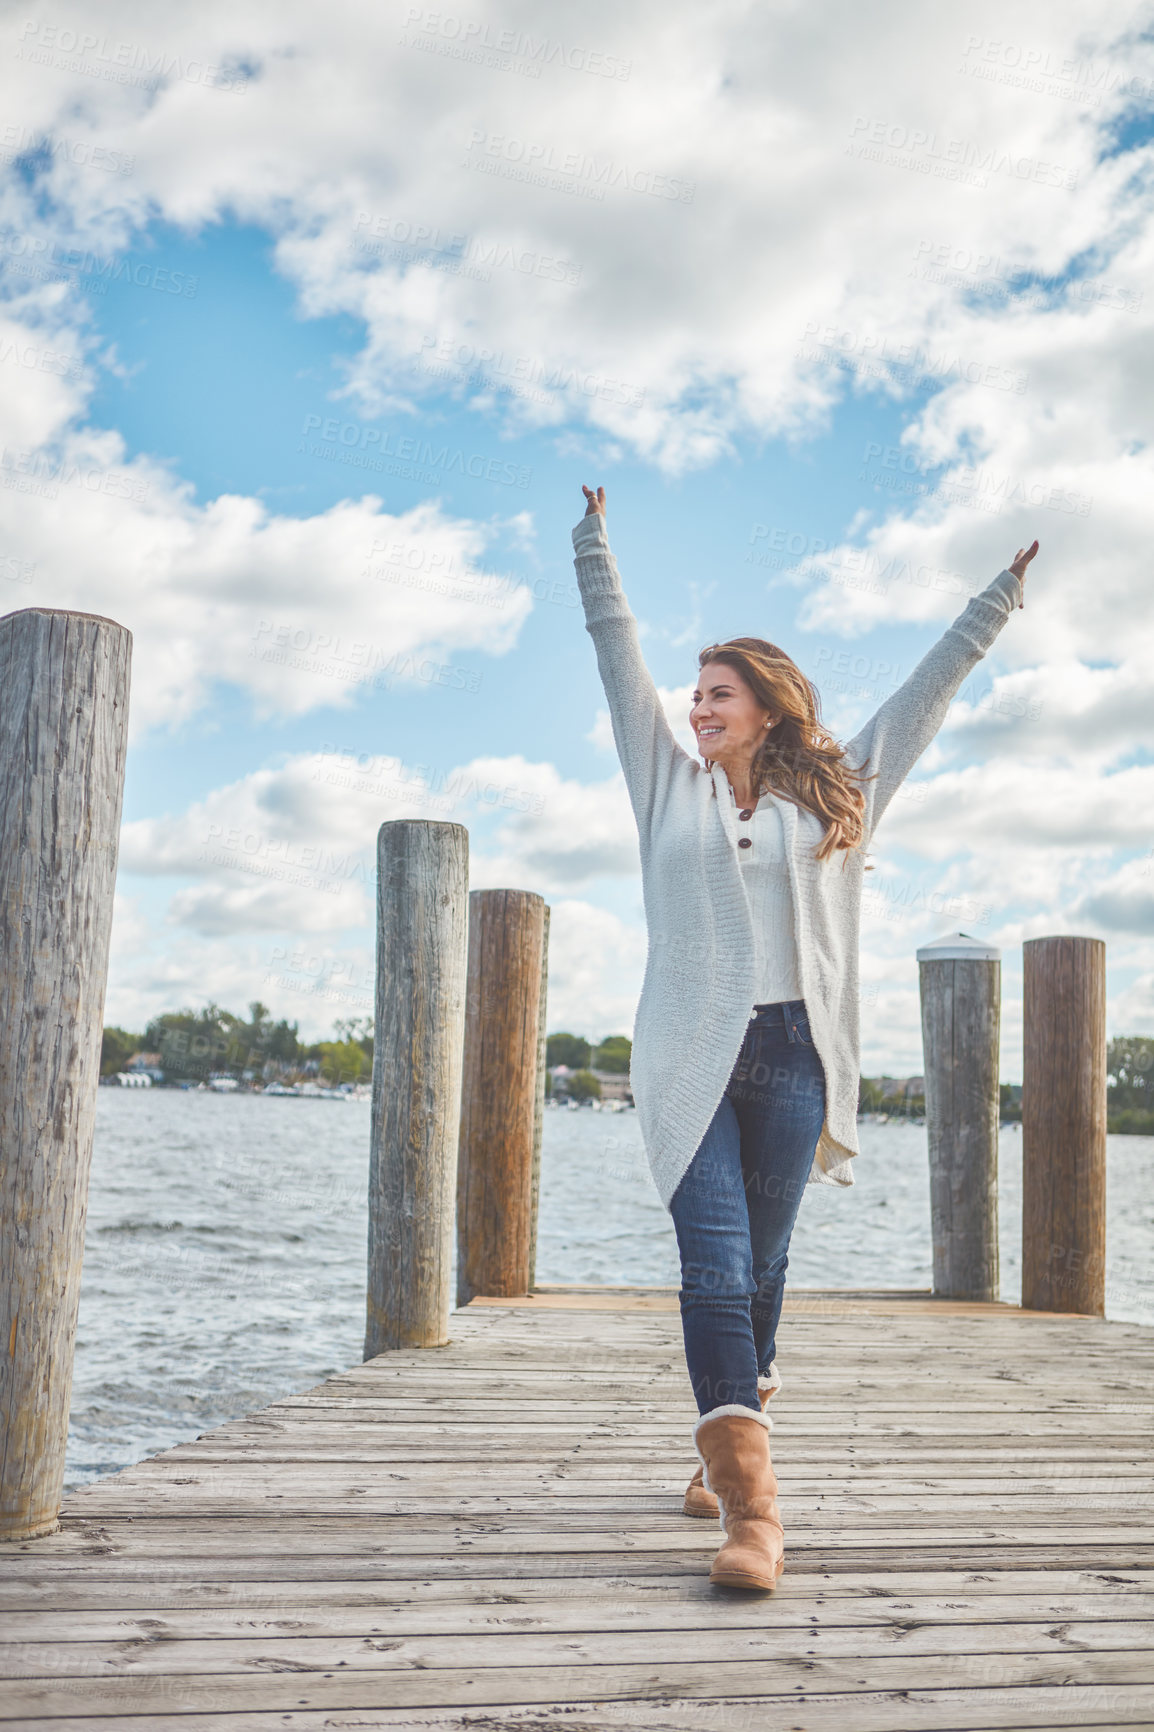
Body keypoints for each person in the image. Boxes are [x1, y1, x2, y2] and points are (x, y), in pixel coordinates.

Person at [572, 483, 1036, 1592]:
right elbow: (613, 653)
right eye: (693, 695)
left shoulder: (836, 796)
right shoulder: (665, 790)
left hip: (792, 1062)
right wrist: (594, 545)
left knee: (764, 1267)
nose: (696, 709)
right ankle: (754, 1515)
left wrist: (994, 605)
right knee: (715, 1266)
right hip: (687, 1057)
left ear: (767, 708)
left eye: (718, 694)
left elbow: (925, 697)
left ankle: (725, 1444)